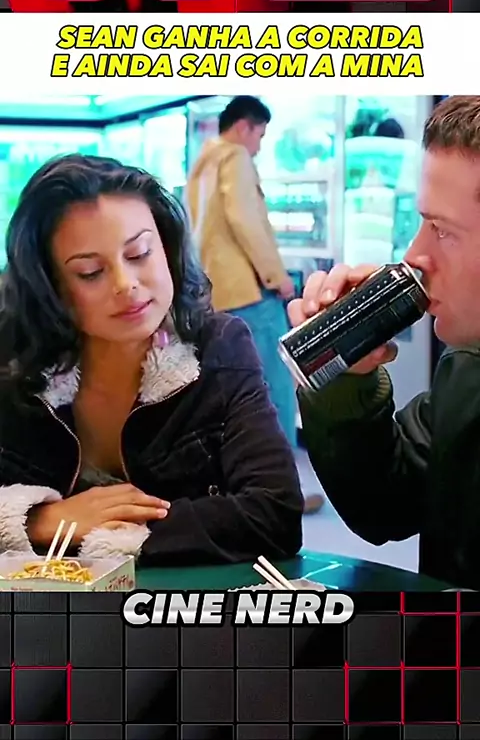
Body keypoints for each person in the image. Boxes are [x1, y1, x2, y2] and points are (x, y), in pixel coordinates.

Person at [0, 154, 303, 566]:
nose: (126, 285)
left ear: (167, 248)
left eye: (140, 253)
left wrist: (120, 533)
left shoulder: (219, 346)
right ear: (49, 287)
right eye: (90, 272)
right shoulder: (12, 361)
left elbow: (276, 512)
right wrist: (40, 520)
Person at [288, 94, 480, 590]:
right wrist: (346, 378)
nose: (415, 254)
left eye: (443, 231)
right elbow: (382, 507)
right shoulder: (467, 372)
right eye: (421, 224)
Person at [186, 96, 324, 514]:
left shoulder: (201, 163)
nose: (259, 146)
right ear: (244, 126)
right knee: (276, 389)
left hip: (215, 294)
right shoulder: (235, 158)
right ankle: (284, 490)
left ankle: (241, 487)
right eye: (260, 135)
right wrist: (277, 277)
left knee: (232, 394)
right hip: (248, 292)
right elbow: (247, 220)